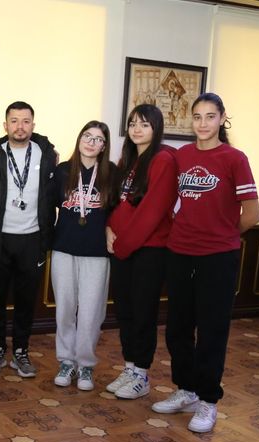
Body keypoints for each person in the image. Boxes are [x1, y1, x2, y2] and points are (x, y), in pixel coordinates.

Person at [152, 93, 259, 433]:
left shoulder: (234, 158)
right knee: (178, 328)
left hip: (218, 257)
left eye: (209, 117)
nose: (202, 123)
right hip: (180, 253)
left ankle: (209, 401)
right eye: (197, 117)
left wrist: (225, 237)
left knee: (212, 331)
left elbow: (253, 214)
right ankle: (187, 390)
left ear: (221, 118)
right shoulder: (182, 156)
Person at [105, 104, 177, 400]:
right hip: (122, 248)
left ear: (156, 129)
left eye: (144, 124)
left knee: (143, 312)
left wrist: (121, 244)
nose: (137, 129)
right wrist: (109, 229)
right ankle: (130, 365)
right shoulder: (129, 160)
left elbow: (151, 212)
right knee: (125, 311)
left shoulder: (162, 160)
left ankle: (142, 374)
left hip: (148, 251)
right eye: (133, 123)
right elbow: (118, 203)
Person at [0, 101, 57, 378]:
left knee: (26, 302)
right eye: (14, 121)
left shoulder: (46, 153)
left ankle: (21, 352)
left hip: (32, 239)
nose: (20, 126)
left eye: (25, 121)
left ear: (33, 126)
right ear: (5, 125)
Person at [50, 121, 116, 391]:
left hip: (96, 254)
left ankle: (86, 365)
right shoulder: (63, 171)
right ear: (79, 140)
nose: (91, 142)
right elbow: (48, 205)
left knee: (91, 312)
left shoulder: (112, 174)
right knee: (65, 309)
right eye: (87, 136)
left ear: (103, 147)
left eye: (98, 139)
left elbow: (117, 211)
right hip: (64, 249)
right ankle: (66, 361)